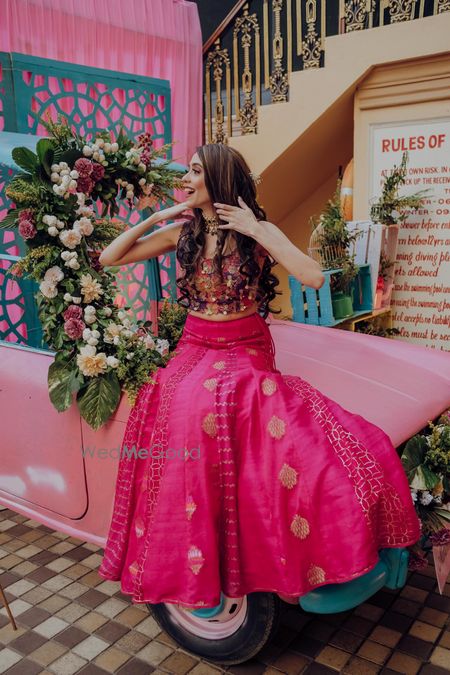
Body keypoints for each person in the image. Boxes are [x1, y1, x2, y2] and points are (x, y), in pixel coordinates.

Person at [97, 143, 421, 610]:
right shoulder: (182, 234)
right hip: (195, 347)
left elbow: (312, 277)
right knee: (180, 408)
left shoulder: (255, 232)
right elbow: (108, 259)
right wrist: (158, 218)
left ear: (219, 179)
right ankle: (194, 564)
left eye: (193, 172)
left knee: (257, 416)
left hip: (245, 348)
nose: (184, 179)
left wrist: (258, 230)